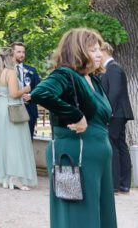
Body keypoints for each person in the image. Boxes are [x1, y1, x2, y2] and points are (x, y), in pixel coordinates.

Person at [31, 28, 117, 227]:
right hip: (76, 155)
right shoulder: (66, 74)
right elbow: (40, 93)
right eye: (93, 49)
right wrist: (76, 115)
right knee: (79, 217)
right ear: (78, 50)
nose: (99, 54)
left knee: (101, 215)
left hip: (98, 156)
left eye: (99, 49)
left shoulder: (93, 78)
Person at [0, 46, 37, 190]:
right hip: (12, 107)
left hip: (0, 107)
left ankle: (6, 177)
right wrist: (26, 89)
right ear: (10, 57)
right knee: (15, 143)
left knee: (5, 142)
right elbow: (14, 93)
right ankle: (15, 177)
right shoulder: (10, 72)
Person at [101, 42, 133, 194]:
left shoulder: (113, 68)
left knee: (114, 145)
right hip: (118, 113)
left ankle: (115, 183)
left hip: (115, 113)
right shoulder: (111, 68)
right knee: (120, 145)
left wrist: (107, 112)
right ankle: (123, 183)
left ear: (104, 51)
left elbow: (114, 93)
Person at [12, 42, 42, 136]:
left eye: (23, 52)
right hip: (12, 111)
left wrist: (31, 95)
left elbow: (40, 89)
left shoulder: (31, 70)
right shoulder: (7, 71)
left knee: (28, 141)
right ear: (12, 53)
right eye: (19, 52)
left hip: (29, 110)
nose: (22, 54)